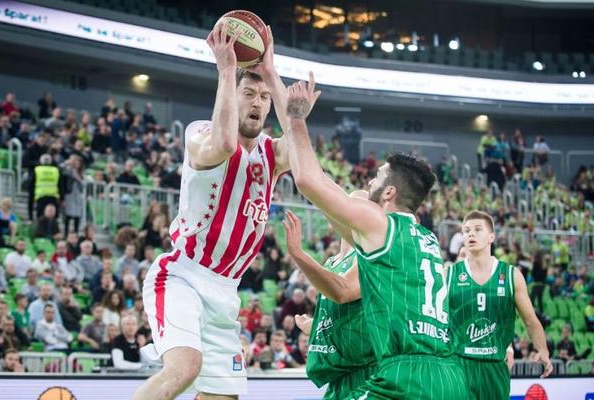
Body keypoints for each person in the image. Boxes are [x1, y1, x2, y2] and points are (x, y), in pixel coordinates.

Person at [134, 22, 294, 400]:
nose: (257, 102)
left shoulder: (272, 152)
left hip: (226, 292)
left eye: (264, 97)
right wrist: (226, 69)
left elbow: (302, 147)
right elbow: (225, 143)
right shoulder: (200, 132)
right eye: (249, 92)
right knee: (185, 368)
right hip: (183, 276)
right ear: (230, 94)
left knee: (222, 396)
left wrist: (271, 73)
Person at [283, 75, 467, 399]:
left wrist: (295, 118)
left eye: (378, 176)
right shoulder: (425, 240)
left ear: (390, 192)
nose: (371, 181)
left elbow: (310, 181)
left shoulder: (384, 225)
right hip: (448, 374)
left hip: (406, 374)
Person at [447, 211, 552, 400]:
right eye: (467, 230)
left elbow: (530, 320)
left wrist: (542, 349)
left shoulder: (511, 275)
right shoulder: (449, 274)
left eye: (478, 229)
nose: (471, 234)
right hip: (457, 365)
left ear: (491, 237)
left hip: (495, 366)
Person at [283, 204, 376, 400]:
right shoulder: (331, 262)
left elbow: (344, 292)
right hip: (338, 374)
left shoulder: (369, 254)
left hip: (366, 369)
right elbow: (336, 312)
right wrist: (315, 325)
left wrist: (299, 254)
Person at [32, 154, 62, 218]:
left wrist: (32, 196)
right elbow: (60, 184)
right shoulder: (55, 170)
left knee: (40, 216)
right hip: (53, 196)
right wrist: (61, 196)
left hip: (40, 195)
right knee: (53, 217)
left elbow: (32, 184)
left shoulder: (37, 170)